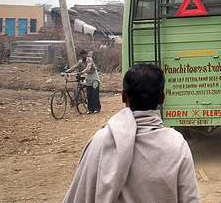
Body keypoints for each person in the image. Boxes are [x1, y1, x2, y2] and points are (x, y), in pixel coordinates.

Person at [62, 64, 200, 203]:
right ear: (162, 98)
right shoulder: (176, 144)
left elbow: (80, 194)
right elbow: (190, 198)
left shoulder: (101, 141)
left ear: (123, 96)